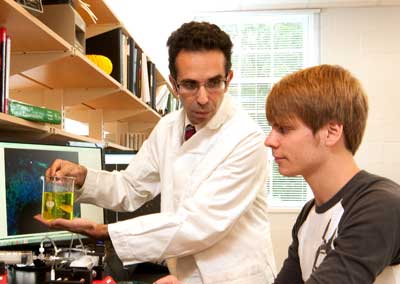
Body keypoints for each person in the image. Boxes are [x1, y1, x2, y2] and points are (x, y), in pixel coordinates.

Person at [35, 21, 276, 284]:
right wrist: (84, 177)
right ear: (174, 84)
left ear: (228, 79)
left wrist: (103, 231)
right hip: (185, 275)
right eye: (191, 85)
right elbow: (130, 187)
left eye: (214, 83)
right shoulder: (168, 127)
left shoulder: (246, 138)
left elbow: (199, 224)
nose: (204, 98)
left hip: (238, 277)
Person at [264, 64, 400, 284]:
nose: (269, 141)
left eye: (284, 129)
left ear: (331, 132)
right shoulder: (309, 213)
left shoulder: (379, 205)